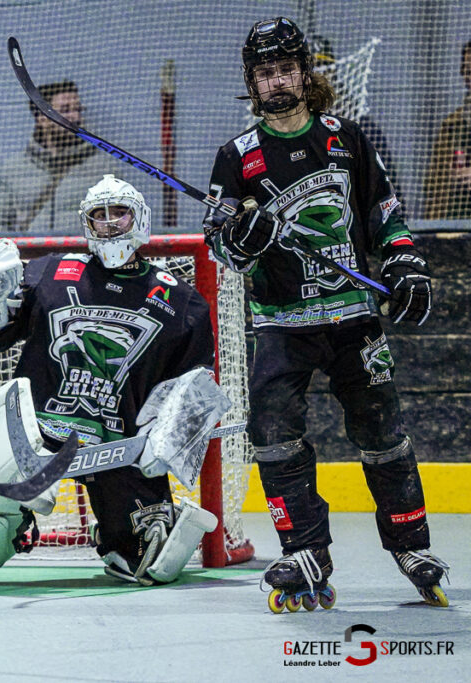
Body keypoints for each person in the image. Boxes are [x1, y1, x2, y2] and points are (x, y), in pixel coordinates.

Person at [202, 17, 449, 610]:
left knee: (383, 434)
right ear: (251, 82)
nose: (277, 80)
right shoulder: (236, 157)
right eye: (265, 73)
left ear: (304, 73)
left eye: (287, 68)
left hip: (353, 318)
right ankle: (304, 549)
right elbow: (219, 243)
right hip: (282, 323)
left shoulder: (348, 138)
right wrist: (245, 238)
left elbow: (384, 211)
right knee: (273, 435)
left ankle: (412, 546)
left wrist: (404, 261)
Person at [0, 175, 223, 585]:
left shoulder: (181, 301)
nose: (108, 224)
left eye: (119, 214)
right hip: (34, 439)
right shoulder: (51, 273)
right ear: (86, 222)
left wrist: (169, 437)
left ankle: (133, 522)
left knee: (147, 559)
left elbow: (194, 386)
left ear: (139, 218)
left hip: (118, 447)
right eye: (98, 216)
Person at [0, 80, 123, 234]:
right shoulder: (13, 170)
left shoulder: (104, 170)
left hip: (83, 257)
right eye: (66, 110)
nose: (75, 117)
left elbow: (120, 223)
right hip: (31, 257)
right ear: (42, 118)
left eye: (78, 110)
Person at [307, 33, 405, 210]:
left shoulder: (361, 126)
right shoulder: (286, 128)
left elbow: (389, 188)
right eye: (311, 67)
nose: (318, 74)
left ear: (335, 69)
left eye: (324, 66)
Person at [423, 40, 471, 220]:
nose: (469, 76)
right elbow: (434, 183)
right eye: (467, 70)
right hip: (453, 226)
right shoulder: (452, 125)